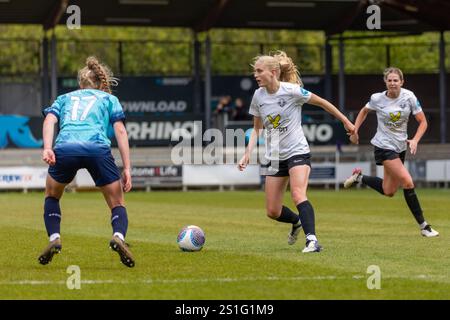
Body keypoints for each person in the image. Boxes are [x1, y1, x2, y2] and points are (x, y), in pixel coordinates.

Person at [238, 51, 355, 253]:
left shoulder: (292, 91)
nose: (255, 75)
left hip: (297, 151)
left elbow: (323, 103)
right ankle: (297, 222)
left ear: (273, 72)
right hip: (274, 157)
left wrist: (346, 121)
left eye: (259, 71)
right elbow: (257, 128)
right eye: (254, 71)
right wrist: (247, 152)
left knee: (298, 193)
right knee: (272, 211)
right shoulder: (258, 96)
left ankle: (312, 241)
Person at [38, 56, 135, 267]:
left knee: (52, 195)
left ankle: (54, 238)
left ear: (80, 84)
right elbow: (120, 131)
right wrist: (127, 167)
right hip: (97, 149)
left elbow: (50, 119)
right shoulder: (109, 99)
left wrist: (47, 147)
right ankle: (118, 236)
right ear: (101, 83)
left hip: (65, 148)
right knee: (117, 203)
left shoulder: (65, 98)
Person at [344, 67, 439, 238]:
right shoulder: (377, 98)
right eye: (390, 80)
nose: (393, 83)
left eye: (396, 80)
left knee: (388, 191)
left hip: (400, 147)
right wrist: (354, 130)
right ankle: (424, 227)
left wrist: (415, 139)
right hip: (383, 147)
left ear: (402, 82)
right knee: (408, 182)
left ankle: (360, 177)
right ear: (385, 82)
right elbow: (364, 111)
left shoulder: (409, 97)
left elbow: (422, 121)